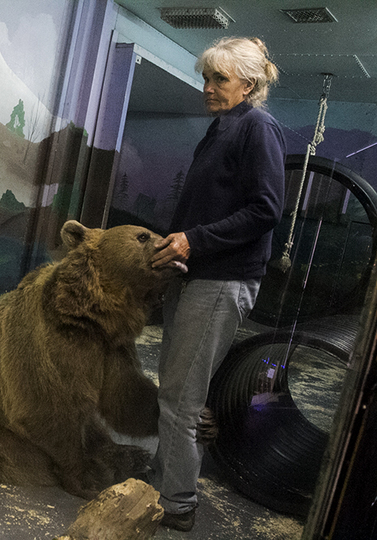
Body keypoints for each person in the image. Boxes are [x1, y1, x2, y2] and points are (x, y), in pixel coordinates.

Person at [148, 37, 286, 532]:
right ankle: (161, 479)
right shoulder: (222, 128)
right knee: (174, 392)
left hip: (223, 282)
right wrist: (176, 252)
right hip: (195, 276)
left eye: (219, 79)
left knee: (182, 401)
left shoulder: (258, 128)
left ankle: (177, 504)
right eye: (205, 78)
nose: (207, 88)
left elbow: (266, 210)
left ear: (248, 84)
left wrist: (193, 241)